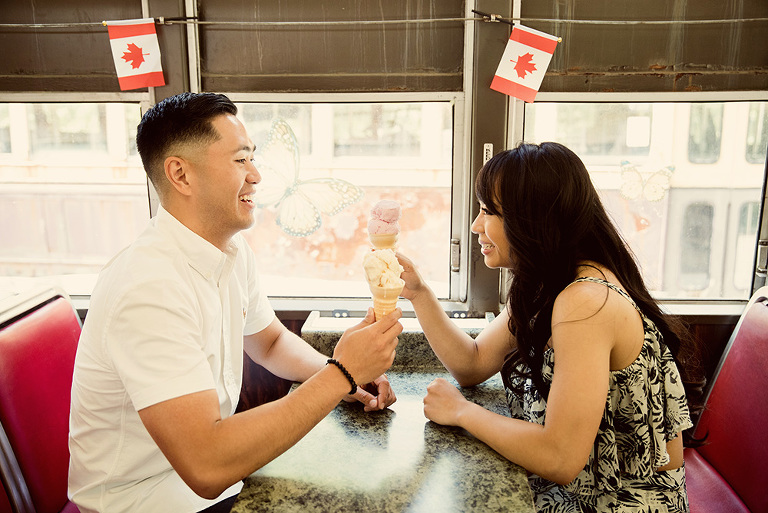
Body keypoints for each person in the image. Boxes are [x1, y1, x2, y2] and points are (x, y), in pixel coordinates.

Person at [68, 92, 402, 513]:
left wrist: (343, 378)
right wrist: (340, 374)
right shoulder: (146, 287)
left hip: (202, 484)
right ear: (181, 175)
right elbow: (206, 466)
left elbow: (271, 343)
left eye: (253, 158)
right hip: (142, 500)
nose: (256, 175)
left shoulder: (231, 250)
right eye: (241, 160)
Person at [398, 142, 704, 512]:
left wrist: (462, 412)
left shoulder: (586, 302)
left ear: (533, 219)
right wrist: (419, 294)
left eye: (488, 211)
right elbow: (473, 363)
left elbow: (560, 458)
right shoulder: (549, 283)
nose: (476, 226)